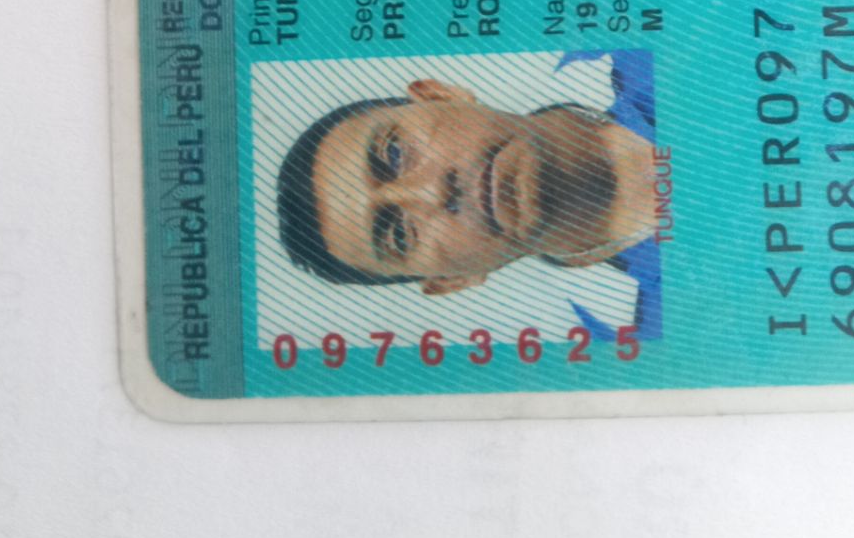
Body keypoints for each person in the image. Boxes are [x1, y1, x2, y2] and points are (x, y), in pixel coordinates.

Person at [276, 50, 662, 338]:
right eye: (399, 234)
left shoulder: (645, 49)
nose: (432, 192)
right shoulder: (662, 331)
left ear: (440, 95)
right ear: (453, 281)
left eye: (394, 153)